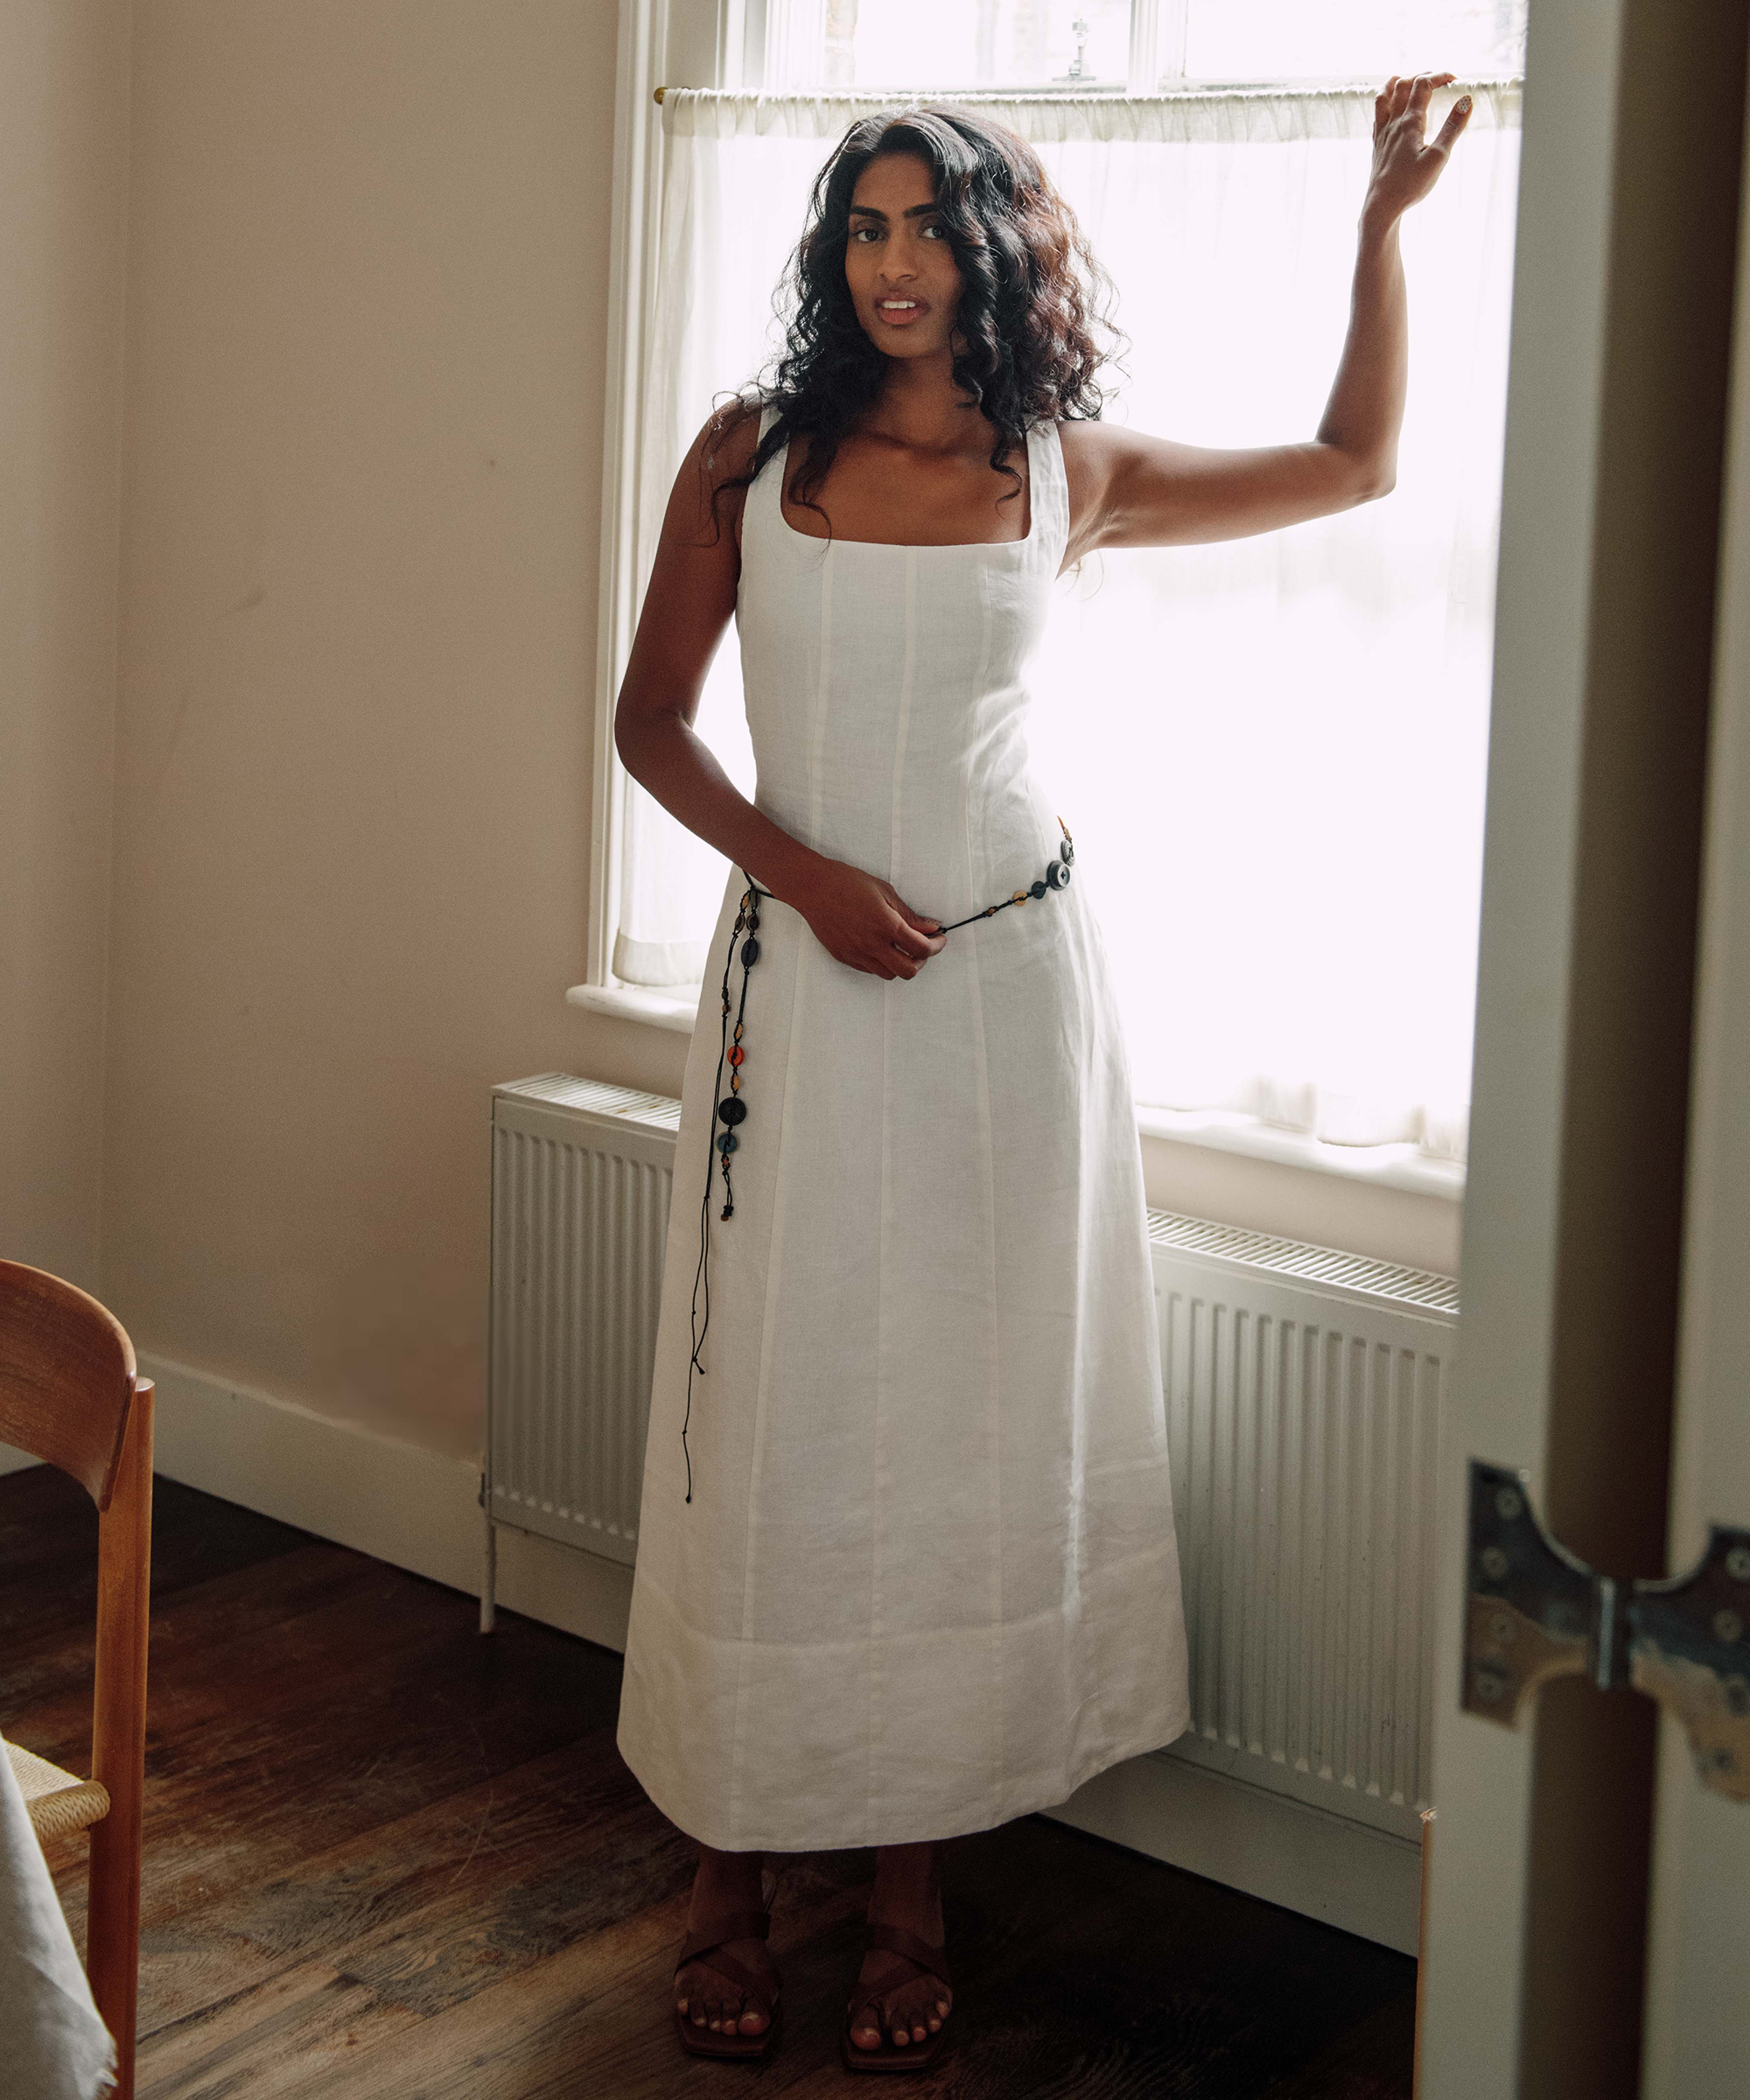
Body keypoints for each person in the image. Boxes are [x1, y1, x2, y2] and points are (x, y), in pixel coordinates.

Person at [611, 74, 1470, 2069]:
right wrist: (807, 877)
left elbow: (1353, 465)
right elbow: (653, 724)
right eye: (865, 228)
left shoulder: (1062, 470)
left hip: (1008, 1006)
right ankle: (728, 1871)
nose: (895, 263)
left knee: (958, 1434)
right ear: (836, 257)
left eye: (931, 228)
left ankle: (910, 1891)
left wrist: (1382, 223)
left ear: (998, 251)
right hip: (804, 997)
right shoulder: (747, 453)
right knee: (776, 1426)